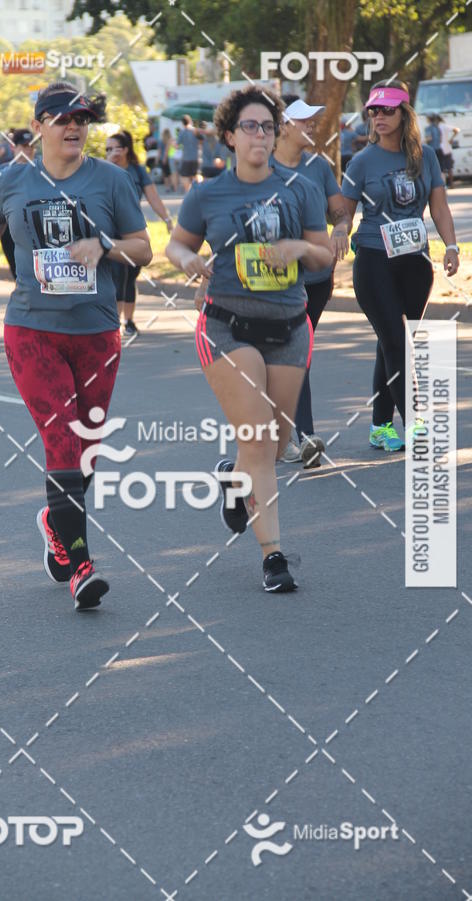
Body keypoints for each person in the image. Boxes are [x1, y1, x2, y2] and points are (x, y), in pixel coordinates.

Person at [0, 82, 152, 609]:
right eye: (63, 118)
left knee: (86, 447)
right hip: (32, 329)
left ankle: (55, 520)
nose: (75, 127)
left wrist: (103, 245)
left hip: (96, 331)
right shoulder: (14, 180)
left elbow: (143, 249)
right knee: (61, 438)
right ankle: (82, 567)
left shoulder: (111, 179)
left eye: (83, 120)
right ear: (39, 125)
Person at [166, 86, 332, 593]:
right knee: (259, 442)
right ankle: (273, 557)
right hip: (227, 327)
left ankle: (233, 479)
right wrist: (187, 260)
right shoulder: (207, 194)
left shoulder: (300, 188)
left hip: (290, 327)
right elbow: (176, 245)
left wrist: (298, 247)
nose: (260, 135)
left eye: (267, 126)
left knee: (275, 445)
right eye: (249, 127)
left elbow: (324, 255)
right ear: (229, 137)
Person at [342, 80, 459, 451]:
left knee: (390, 341)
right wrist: (339, 232)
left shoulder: (426, 157)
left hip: (415, 263)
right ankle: (415, 421)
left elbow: (439, 207)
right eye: (373, 111)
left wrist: (451, 246)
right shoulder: (361, 162)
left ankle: (380, 427)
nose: (378, 116)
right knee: (396, 340)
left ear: (404, 114)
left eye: (387, 110)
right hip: (374, 259)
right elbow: (344, 212)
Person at [272, 98, 350, 468]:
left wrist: (341, 227)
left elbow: (339, 210)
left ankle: (290, 435)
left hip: (317, 279)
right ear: (282, 126)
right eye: (304, 120)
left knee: (295, 355)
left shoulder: (318, 166)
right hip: (276, 281)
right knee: (292, 354)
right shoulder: (261, 167)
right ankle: (302, 436)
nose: (312, 126)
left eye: (313, 121)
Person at [105, 129, 173, 335]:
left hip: (134, 232)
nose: (111, 152)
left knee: (130, 276)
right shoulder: (103, 170)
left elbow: (153, 197)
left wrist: (167, 219)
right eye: (107, 149)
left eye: (115, 148)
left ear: (126, 149)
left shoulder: (137, 171)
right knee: (117, 276)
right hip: (110, 231)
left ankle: (129, 321)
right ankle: (114, 324)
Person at [0, 128, 37, 279]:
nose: (28, 150)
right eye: (24, 146)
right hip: (10, 229)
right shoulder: (4, 171)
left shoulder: (42, 169)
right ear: (13, 147)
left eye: (31, 146)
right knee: (19, 276)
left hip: (35, 229)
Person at [177, 115, 199, 192]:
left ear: (182, 123)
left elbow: (177, 145)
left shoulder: (182, 132)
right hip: (195, 157)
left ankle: (188, 192)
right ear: (190, 121)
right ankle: (196, 191)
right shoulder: (195, 131)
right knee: (194, 175)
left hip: (186, 158)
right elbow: (201, 141)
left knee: (185, 176)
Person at [437, 116, 459, 188]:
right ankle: (451, 184)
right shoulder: (445, 126)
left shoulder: (435, 127)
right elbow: (457, 130)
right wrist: (451, 138)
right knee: (449, 168)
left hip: (439, 149)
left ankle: (443, 184)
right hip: (447, 149)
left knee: (441, 168)